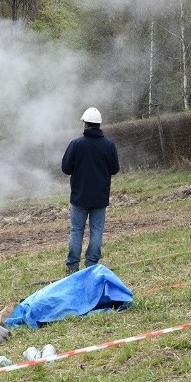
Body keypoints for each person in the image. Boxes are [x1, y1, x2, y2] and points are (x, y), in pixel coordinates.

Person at [61, 107, 120, 274]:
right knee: (97, 230)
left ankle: (72, 266)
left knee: (76, 230)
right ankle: (92, 264)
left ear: (86, 124)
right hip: (100, 197)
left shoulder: (76, 144)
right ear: (99, 124)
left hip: (79, 197)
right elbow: (114, 169)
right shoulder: (109, 145)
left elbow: (66, 168)